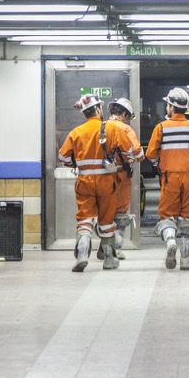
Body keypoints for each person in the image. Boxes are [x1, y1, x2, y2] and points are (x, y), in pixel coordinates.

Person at [57, 94, 129, 273]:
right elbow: (132, 152)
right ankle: (109, 259)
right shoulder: (111, 128)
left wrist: (77, 164)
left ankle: (82, 255)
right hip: (106, 181)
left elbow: (63, 158)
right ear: (97, 109)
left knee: (85, 218)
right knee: (106, 220)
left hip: (84, 181)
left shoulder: (76, 132)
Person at [145, 87, 189, 271]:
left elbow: (150, 154)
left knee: (167, 215)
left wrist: (160, 161)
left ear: (171, 107)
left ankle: (170, 242)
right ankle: (185, 260)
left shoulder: (161, 128)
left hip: (169, 177)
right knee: (188, 217)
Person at [107, 97, 144, 260]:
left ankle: (105, 245)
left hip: (101, 175)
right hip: (121, 174)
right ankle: (117, 248)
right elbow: (138, 152)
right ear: (123, 114)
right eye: (127, 116)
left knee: (105, 210)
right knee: (120, 211)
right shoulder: (125, 129)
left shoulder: (101, 127)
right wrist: (136, 158)